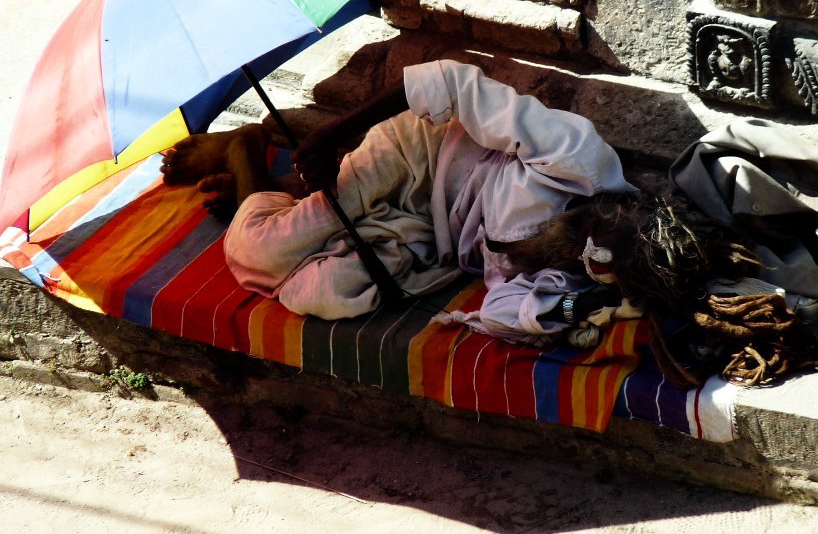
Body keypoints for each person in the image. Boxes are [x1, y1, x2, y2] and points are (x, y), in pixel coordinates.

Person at [161, 60, 748, 348]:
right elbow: (449, 78)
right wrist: (335, 132)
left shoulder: (573, 274)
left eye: (591, 266)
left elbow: (504, 312)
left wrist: (581, 303)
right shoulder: (579, 158)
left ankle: (286, 196)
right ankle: (247, 156)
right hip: (415, 156)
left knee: (332, 293)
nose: (580, 254)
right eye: (593, 242)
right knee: (259, 250)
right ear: (618, 212)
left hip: (424, 233)